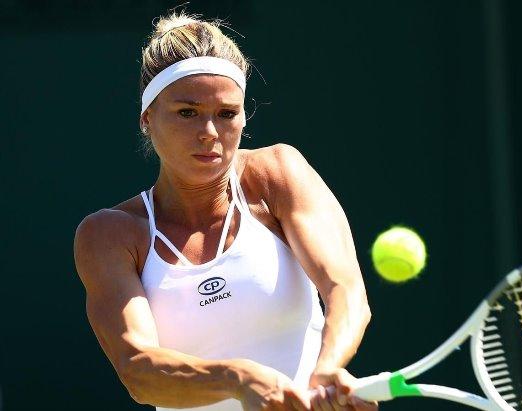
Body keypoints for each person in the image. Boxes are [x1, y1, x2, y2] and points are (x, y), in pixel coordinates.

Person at [74, 12, 376, 411]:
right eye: (187, 112)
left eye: (226, 114)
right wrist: (239, 379)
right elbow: (139, 370)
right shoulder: (108, 235)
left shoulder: (277, 173)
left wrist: (327, 370)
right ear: (147, 118)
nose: (209, 133)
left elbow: (345, 291)